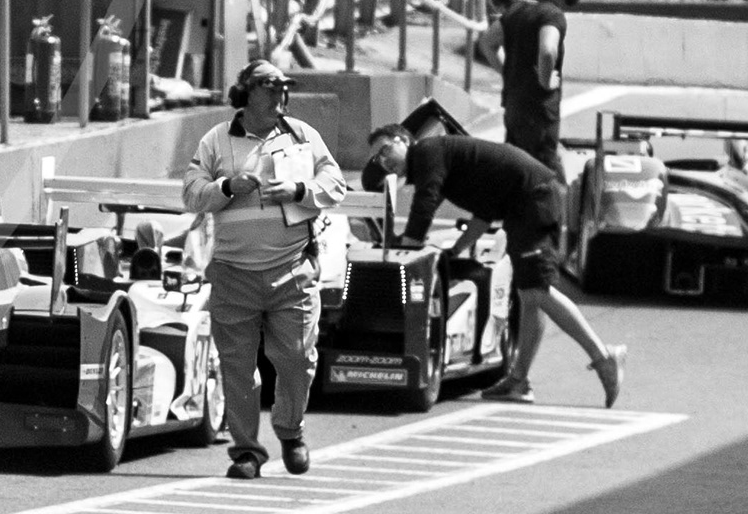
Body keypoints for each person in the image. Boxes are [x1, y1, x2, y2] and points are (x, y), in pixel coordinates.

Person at [365, 126, 623, 406]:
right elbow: (484, 212)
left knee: (537, 291)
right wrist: (458, 248)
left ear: (404, 140)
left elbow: (425, 203)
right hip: (525, 201)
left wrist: (409, 243)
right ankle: (519, 381)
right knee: (529, 296)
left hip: (532, 198)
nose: (384, 160)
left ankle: (602, 356)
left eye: (385, 149)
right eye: (378, 159)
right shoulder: (438, 161)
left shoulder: (427, 152)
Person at [181, 62, 347, 480]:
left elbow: (336, 183)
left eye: (283, 89)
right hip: (233, 272)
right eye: (270, 89)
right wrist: (226, 188)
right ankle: (246, 452)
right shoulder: (217, 140)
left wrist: (299, 191)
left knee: (295, 359)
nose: (280, 98)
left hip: (292, 270)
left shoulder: (303, 136)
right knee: (237, 367)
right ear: (246, 93)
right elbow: (191, 194)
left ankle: (291, 431)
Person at [498, 0, 582, 167]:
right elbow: (547, 50)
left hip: (513, 106)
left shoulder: (518, 9)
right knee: (541, 174)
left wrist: (507, 70)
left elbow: (487, 42)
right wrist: (545, 80)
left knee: (514, 167)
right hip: (539, 111)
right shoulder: (553, 15)